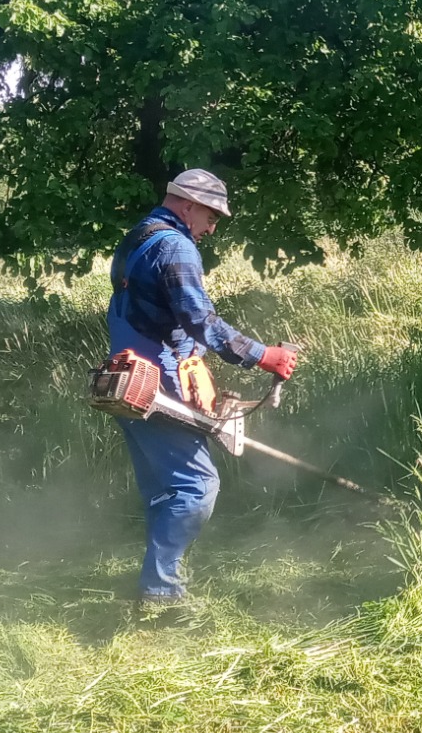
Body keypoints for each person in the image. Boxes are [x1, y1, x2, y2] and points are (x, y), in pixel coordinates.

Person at [107, 168, 298, 607]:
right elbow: (199, 319)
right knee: (196, 487)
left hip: (123, 379)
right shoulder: (175, 247)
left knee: (164, 489)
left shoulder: (137, 238)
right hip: (159, 386)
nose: (211, 228)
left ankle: (157, 582)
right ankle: (161, 591)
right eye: (211, 217)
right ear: (188, 204)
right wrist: (261, 355)